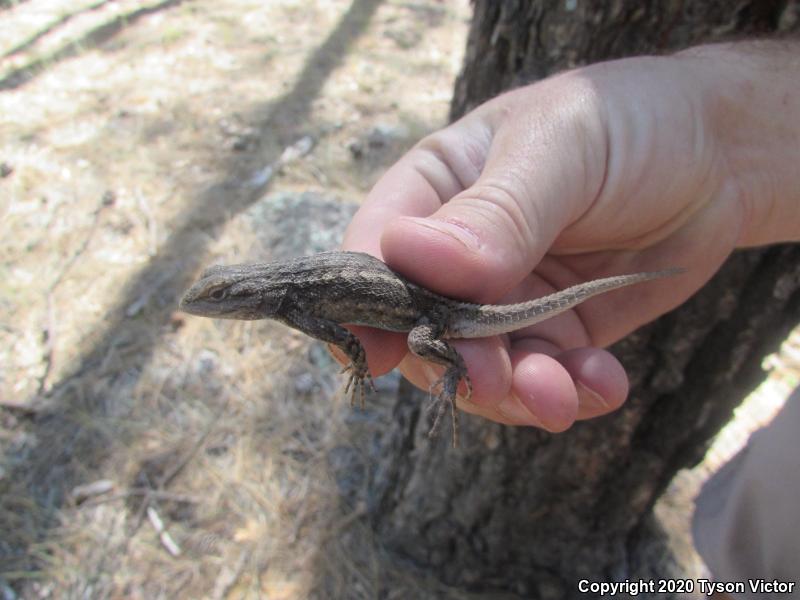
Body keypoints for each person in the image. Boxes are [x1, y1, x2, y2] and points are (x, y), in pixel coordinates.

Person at [341, 41, 800, 596]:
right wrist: (713, 137)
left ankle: (453, 377)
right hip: (765, 538)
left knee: (433, 348)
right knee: (749, 562)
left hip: (438, 311)